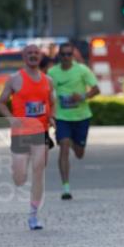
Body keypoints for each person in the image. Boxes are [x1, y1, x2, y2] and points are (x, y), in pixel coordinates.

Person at [0, 43, 55, 231]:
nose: (33, 56)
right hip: (20, 133)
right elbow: (1, 102)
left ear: (40, 57)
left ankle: (33, 215)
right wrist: (11, 119)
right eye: (29, 53)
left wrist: (51, 116)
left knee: (38, 173)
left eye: (36, 53)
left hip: (41, 133)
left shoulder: (48, 80)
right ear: (24, 57)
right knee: (20, 177)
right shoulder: (14, 79)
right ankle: (19, 174)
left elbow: (51, 103)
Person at [47, 43, 100, 200]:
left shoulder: (82, 70)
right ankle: (66, 188)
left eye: (69, 54)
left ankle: (71, 141)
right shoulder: (52, 72)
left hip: (81, 116)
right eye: (63, 54)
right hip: (62, 117)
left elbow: (96, 89)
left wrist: (82, 97)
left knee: (79, 154)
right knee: (63, 147)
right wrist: (50, 114)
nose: (66, 57)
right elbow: (48, 94)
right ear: (59, 56)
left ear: (73, 55)